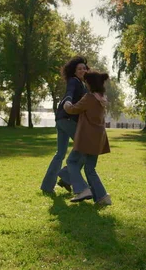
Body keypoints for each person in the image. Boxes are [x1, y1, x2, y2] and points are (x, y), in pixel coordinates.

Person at [40, 56, 88, 194]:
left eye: (84, 68)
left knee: (60, 154)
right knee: (85, 147)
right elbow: (69, 93)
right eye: (79, 69)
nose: (82, 70)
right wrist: (68, 102)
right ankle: (66, 177)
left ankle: (47, 186)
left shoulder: (83, 84)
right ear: (74, 71)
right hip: (67, 120)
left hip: (61, 120)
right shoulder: (74, 81)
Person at [63, 71, 111, 206]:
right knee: (90, 168)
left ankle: (82, 189)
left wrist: (66, 104)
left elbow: (73, 109)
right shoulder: (101, 97)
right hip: (98, 138)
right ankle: (102, 197)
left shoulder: (89, 98)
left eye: (86, 82)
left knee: (71, 161)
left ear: (90, 84)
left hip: (86, 137)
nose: (86, 85)